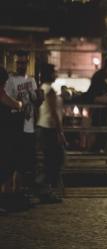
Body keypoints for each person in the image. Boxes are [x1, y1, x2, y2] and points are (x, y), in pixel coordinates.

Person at [4, 51, 43, 200]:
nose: (21, 65)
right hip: (16, 125)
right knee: (14, 160)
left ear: (27, 63)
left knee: (25, 162)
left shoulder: (32, 80)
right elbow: (7, 101)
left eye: (23, 63)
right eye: (18, 63)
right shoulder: (11, 81)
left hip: (29, 124)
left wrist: (39, 98)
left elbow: (36, 102)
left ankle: (18, 191)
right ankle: (10, 192)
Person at [36, 63, 66, 203]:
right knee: (56, 159)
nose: (56, 75)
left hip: (43, 126)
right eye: (54, 72)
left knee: (49, 160)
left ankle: (45, 189)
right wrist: (60, 132)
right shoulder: (50, 91)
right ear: (49, 74)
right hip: (50, 129)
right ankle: (45, 188)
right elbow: (54, 113)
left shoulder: (42, 88)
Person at [0, 66, 22, 188]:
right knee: (7, 164)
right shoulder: (0, 92)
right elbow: (14, 104)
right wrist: (20, 103)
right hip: (3, 133)